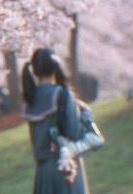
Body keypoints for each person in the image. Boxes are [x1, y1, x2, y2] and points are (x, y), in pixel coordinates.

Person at [22, 48, 90, 194]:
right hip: (66, 166)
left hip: (43, 171)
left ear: (34, 71)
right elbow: (74, 133)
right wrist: (85, 115)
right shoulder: (63, 93)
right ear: (55, 67)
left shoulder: (31, 99)